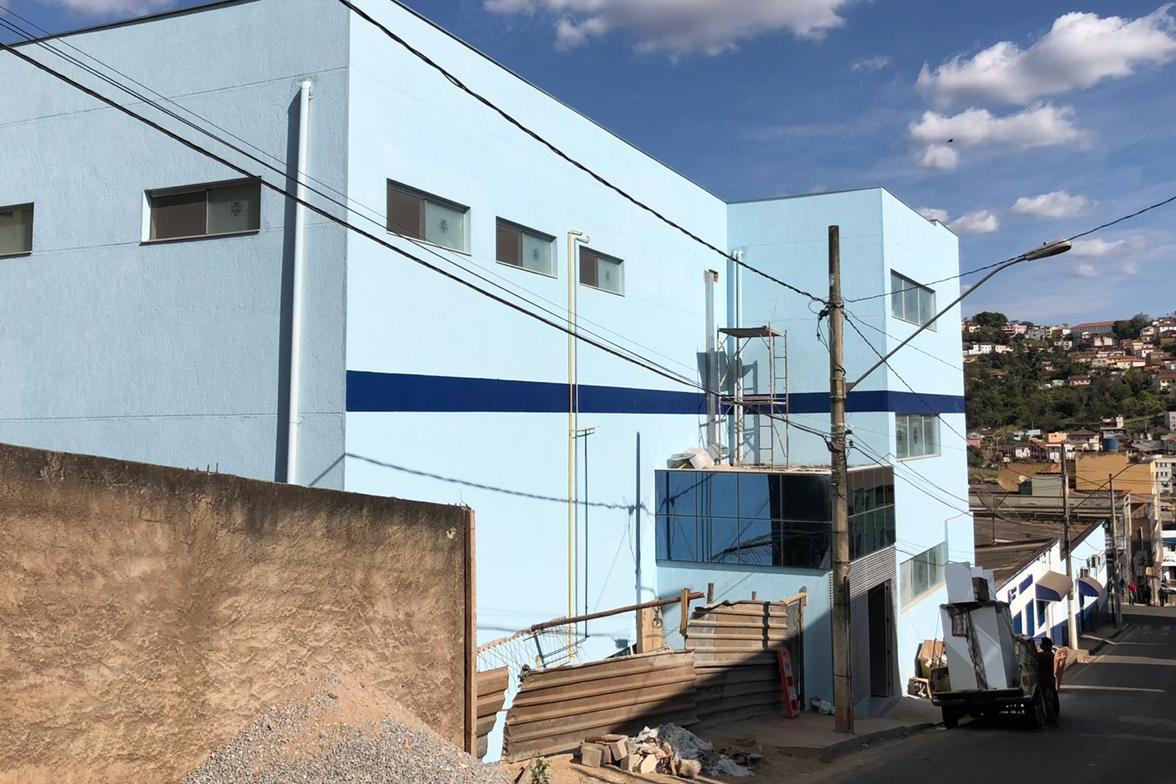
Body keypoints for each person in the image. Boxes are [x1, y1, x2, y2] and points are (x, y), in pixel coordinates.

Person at [1036, 637, 1060, 725]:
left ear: (1046, 646)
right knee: (1050, 699)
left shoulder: (1044, 655)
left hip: (1045, 681)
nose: (1040, 645)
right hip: (1050, 680)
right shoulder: (1051, 655)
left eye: (1042, 643)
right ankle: (1052, 718)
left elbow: (1034, 656)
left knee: (1047, 700)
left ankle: (1052, 719)